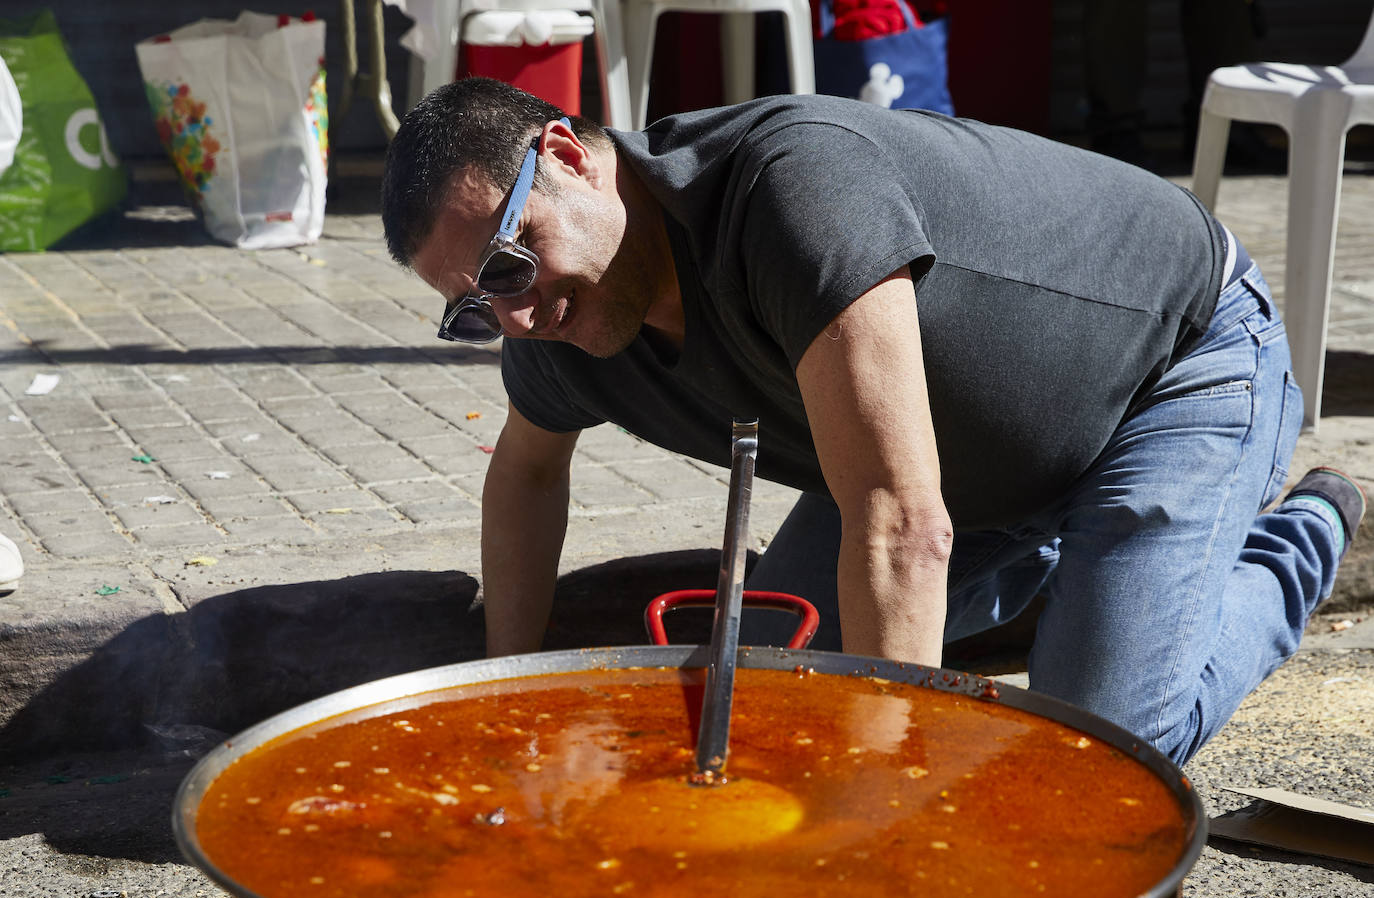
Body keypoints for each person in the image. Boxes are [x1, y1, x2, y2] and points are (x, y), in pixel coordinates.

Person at [379, 77, 1363, 767]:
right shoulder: (561, 318)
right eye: (473, 309)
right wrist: (502, 695)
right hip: (959, 468)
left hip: (1177, 364)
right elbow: (525, 475)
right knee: (768, 696)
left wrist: (887, 813)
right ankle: (1086, 566)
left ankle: (1299, 535)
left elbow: (899, 519)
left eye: (511, 264)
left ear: (566, 155)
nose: (513, 317)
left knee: (1088, 749)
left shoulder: (787, 188)